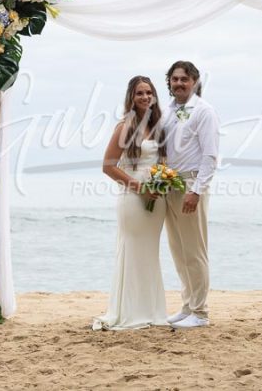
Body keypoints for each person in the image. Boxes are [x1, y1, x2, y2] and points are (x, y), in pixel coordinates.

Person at [93, 76, 169, 330]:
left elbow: (162, 162)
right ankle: (129, 313)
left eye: (149, 92)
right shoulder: (125, 127)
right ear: (131, 97)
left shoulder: (158, 126)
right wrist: (140, 188)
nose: (145, 97)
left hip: (157, 199)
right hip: (134, 199)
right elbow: (107, 166)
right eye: (140, 93)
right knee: (133, 251)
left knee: (150, 253)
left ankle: (151, 311)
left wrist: (162, 182)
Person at [163, 61, 220, 329]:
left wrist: (196, 191)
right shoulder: (169, 111)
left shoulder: (204, 111)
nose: (179, 83)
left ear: (195, 81)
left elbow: (210, 156)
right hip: (171, 185)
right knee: (179, 250)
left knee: (195, 251)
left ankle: (200, 311)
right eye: (175, 79)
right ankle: (187, 305)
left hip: (190, 185)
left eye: (184, 79)